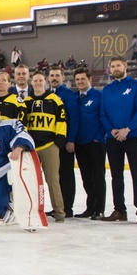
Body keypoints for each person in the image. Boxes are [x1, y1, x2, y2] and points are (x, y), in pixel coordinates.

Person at [100, 57, 137, 223]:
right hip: (113, 139)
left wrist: (127, 129)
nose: (115, 68)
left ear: (125, 66)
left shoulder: (136, 86)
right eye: (112, 66)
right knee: (116, 176)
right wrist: (112, 130)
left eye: (118, 65)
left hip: (132, 137)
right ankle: (119, 209)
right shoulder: (107, 90)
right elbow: (103, 114)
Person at [23, 70, 67, 222]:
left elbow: (62, 120)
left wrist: (58, 143)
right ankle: (34, 209)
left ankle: (59, 212)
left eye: (40, 80)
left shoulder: (55, 100)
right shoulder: (27, 102)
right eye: (35, 80)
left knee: (53, 180)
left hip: (49, 146)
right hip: (32, 148)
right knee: (31, 181)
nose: (37, 83)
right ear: (31, 82)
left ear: (45, 82)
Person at [73, 68, 106, 220]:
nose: (80, 82)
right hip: (80, 144)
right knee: (86, 177)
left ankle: (99, 209)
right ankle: (90, 207)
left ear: (90, 80)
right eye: (77, 79)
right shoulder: (75, 98)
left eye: (83, 79)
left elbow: (104, 118)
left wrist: (98, 138)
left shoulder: (99, 96)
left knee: (98, 176)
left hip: (96, 143)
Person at [49, 67, 80, 218]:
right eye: (52, 75)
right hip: (51, 143)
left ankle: (67, 207)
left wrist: (71, 140)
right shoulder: (47, 94)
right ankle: (57, 205)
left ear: (63, 77)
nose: (54, 78)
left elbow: (74, 118)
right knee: (55, 176)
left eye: (57, 75)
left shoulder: (68, 95)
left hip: (65, 142)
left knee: (66, 174)